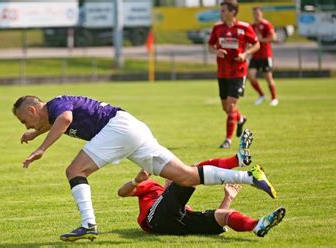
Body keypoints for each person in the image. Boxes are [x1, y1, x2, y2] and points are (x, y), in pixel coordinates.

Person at [12, 95, 277, 242]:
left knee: (75, 171)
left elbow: (65, 119)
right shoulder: (52, 111)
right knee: (185, 176)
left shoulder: (57, 105)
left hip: (117, 129)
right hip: (133, 128)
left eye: (25, 121)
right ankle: (249, 175)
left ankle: (88, 224)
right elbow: (55, 122)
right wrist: (36, 135)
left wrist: (42, 148)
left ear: (34, 110)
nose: (26, 126)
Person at [117, 132, 285, 237]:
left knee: (223, 216)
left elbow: (220, 217)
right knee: (194, 170)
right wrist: (136, 180)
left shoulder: (181, 205)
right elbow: (122, 193)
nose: (175, 176)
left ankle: (256, 225)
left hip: (174, 225)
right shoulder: (153, 188)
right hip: (155, 220)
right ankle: (237, 160)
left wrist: (228, 197)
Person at [207, 0, 260, 149]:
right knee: (226, 108)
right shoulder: (217, 28)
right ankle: (240, 118)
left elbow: (257, 44)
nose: (221, 13)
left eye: (223, 10)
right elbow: (210, 46)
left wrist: (245, 54)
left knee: (231, 106)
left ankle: (227, 140)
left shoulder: (244, 27)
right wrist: (216, 51)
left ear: (232, 12)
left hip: (238, 72)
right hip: (222, 72)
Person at [248, 7, 279, 106]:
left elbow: (273, 37)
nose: (256, 16)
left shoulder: (266, 24)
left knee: (268, 77)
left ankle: (274, 98)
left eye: (257, 13)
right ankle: (261, 95)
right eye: (254, 14)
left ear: (261, 14)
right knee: (250, 76)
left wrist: (261, 40)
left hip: (265, 55)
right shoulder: (251, 26)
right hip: (255, 55)